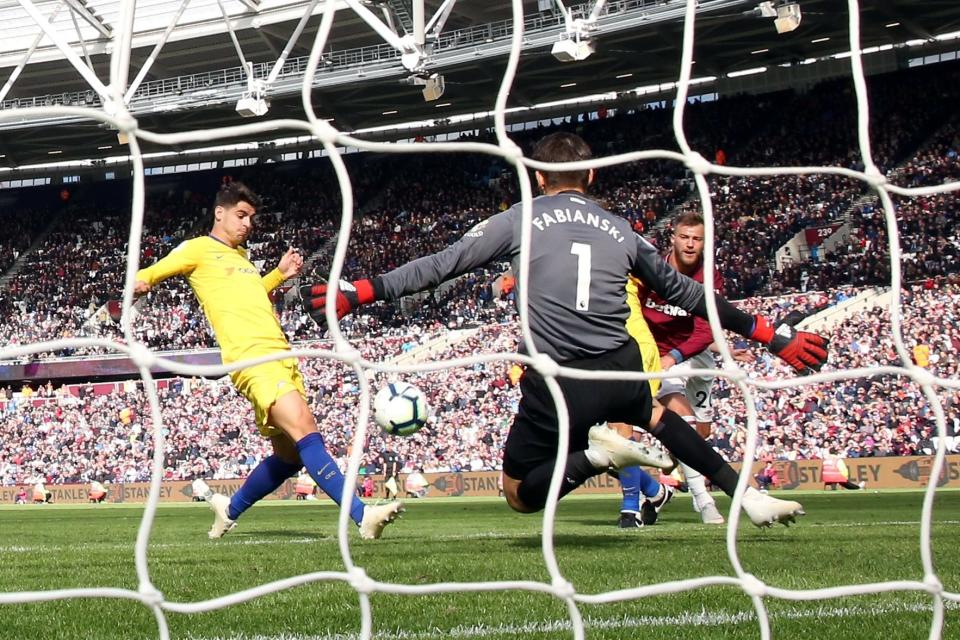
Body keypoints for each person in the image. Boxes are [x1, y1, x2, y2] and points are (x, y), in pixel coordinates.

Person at [299, 132, 828, 526]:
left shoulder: (519, 219)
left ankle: (598, 457)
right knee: (658, 415)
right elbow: (690, 295)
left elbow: (444, 263)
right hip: (620, 365)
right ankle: (747, 497)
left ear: (537, 178)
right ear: (592, 176)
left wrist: (360, 291)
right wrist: (772, 336)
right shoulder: (622, 230)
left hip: (558, 381)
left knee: (518, 496)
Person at [134, 182, 402, 540]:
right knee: (306, 428)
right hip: (251, 359)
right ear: (220, 213)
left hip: (281, 354)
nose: (247, 224)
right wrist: (139, 282)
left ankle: (228, 511)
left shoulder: (242, 258)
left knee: (290, 457)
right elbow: (152, 272)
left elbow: (249, 295)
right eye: (241, 215)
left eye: (251, 218)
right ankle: (362, 516)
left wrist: (278, 275)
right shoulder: (197, 249)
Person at [614, 211, 751, 528]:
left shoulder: (709, 276)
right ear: (672, 238)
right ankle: (703, 501)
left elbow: (705, 332)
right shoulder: (652, 268)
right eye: (685, 237)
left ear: (704, 243)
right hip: (657, 354)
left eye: (697, 239)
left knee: (700, 433)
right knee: (677, 423)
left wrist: (712, 350)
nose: (690, 244)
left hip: (695, 354)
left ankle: (659, 489)